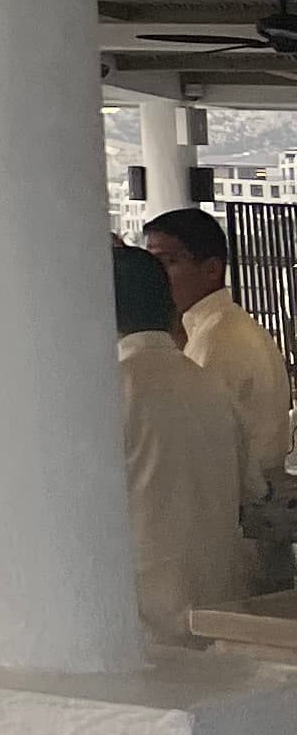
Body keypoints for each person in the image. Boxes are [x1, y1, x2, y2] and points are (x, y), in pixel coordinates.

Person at [115, 236, 250, 647]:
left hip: (142, 628)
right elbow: (250, 492)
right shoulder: (211, 386)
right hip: (217, 617)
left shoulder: (106, 394)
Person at [140, 203, 289, 502]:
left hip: (242, 509)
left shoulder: (219, 340)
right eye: (151, 264)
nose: (156, 276)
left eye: (167, 262)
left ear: (211, 269)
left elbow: (195, 444)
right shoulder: (218, 327)